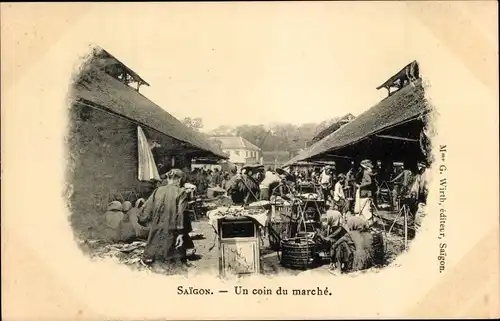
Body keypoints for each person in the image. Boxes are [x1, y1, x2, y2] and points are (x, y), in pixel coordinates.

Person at [138, 169, 192, 268]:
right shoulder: (181, 192)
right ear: (179, 179)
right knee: (173, 266)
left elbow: (144, 212)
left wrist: (148, 223)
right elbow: (181, 214)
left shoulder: (157, 190)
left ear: (168, 179)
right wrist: (181, 233)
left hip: (156, 233)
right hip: (172, 234)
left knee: (157, 265)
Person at [356, 160, 376, 224]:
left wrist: (360, 185)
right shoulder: (369, 172)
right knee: (368, 206)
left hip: (364, 191)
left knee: (363, 206)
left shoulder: (365, 172)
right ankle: (368, 220)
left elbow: (369, 182)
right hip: (368, 191)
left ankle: (366, 220)